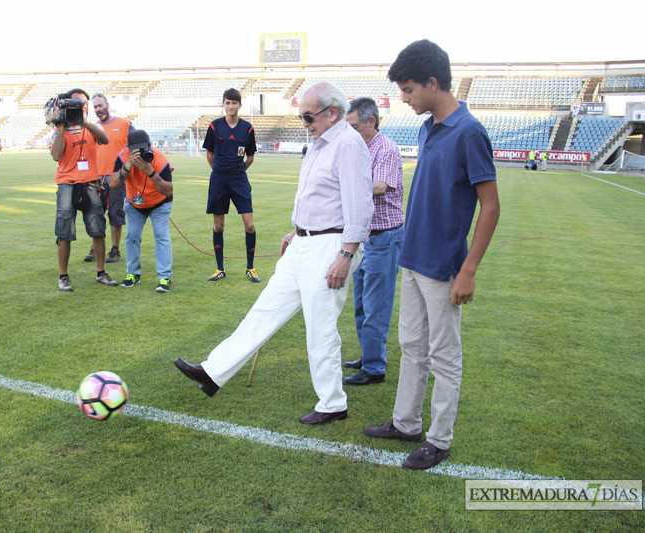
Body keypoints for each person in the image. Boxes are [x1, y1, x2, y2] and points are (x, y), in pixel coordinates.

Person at [174, 82, 373, 425]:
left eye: (309, 116)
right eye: (301, 117)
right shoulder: (318, 145)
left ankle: (332, 402)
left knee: (320, 327)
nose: (305, 122)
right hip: (305, 243)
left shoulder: (348, 145)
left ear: (333, 112)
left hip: (330, 247)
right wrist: (297, 231)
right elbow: (322, 198)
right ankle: (213, 371)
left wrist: (345, 255)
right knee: (264, 310)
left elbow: (359, 207)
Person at [363, 40, 500, 470]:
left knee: (444, 355)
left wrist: (469, 270)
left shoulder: (470, 132)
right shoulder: (427, 128)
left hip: (443, 266)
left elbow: (491, 206)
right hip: (412, 255)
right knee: (411, 345)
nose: (403, 99)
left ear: (432, 82)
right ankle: (406, 423)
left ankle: (439, 439)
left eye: (408, 90)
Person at [342, 97, 405, 386]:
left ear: (371, 122)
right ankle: (369, 356)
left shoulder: (385, 149)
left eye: (354, 126)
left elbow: (380, 186)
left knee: (376, 306)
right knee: (361, 305)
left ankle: (375, 368)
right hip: (364, 238)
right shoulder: (359, 148)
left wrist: (346, 183)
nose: (350, 131)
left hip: (383, 238)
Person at [49, 88, 117, 292]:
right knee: (64, 232)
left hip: (89, 183)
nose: (80, 106)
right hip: (67, 184)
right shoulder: (57, 130)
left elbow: (105, 140)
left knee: (98, 229)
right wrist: (61, 128)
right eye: (76, 103)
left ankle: (101, 272)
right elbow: (56, 155)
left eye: (83, 103)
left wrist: (84, 122)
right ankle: (63, 276)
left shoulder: (90, 126)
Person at [203, 88, 260, 283]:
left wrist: (238, 170)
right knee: (218, 226)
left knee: (250, 225)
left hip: (239, 180)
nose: (231, 106)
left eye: (234, 103)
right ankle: (220, 269)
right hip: (219, 180)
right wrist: (219, 171)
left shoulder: (248, 128)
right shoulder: (214, 126)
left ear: (239, 105)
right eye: (227, 102)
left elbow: (250, 157)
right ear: (223, 104)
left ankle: (250, 268)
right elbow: (209, 155)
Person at [108, 130, 173, 292]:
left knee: (161, 235)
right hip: (134, 203)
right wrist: (127, 166)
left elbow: (168, 190)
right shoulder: (123, 157)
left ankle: (164, 277)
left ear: (150, 146)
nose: (139, 154)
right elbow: (113, 184)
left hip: (160, 202)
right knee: (132, 236)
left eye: (143, 149)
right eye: (135, 150)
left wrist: (150, 172)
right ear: (128, 148)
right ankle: (133, 274)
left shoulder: (159, 159)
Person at [83, 93, 134, 265]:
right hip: (95, 179)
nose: (98, 109)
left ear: (107, 104)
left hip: (116, 178)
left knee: (114, 213)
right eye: (95, 107)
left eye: (100, 105)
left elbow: (136, 145)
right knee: (95, 215)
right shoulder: (90, 128)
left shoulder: (125, 124)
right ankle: (95, 247)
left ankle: (114, 249)